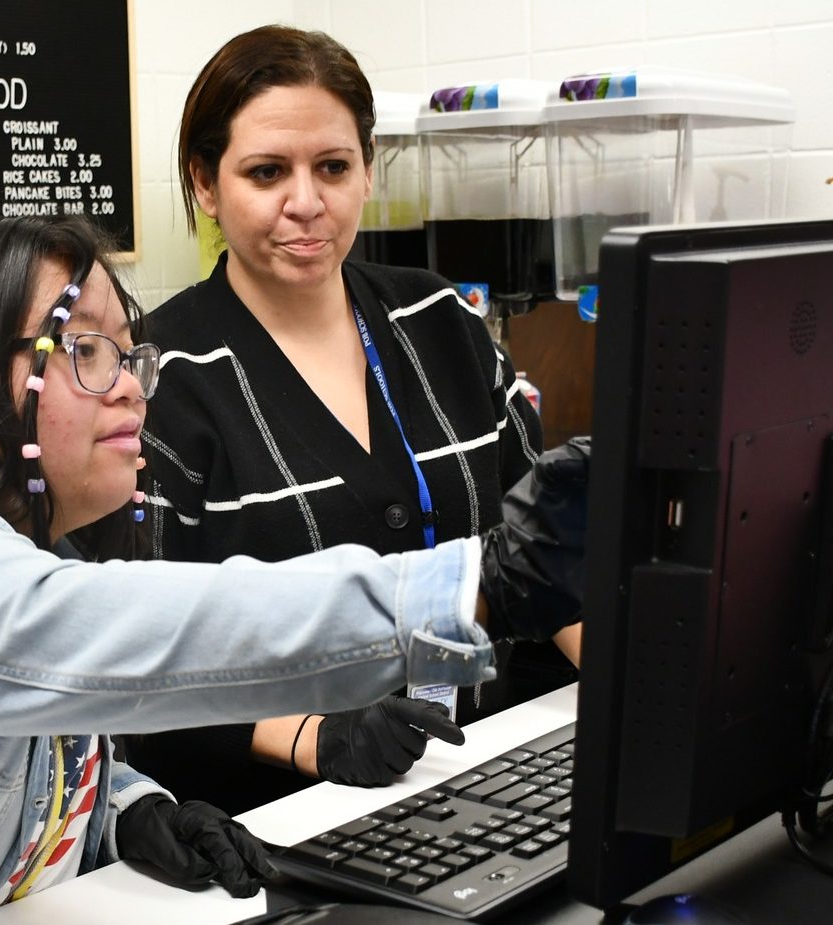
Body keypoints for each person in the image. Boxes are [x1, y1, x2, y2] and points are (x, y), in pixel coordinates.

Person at [0, 215, 582, 924]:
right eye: (83, 351)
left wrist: (126, 809)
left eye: (131, 355)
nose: (131, 385)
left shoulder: (18, 548)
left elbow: (0, 746)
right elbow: (124, 636)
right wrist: (476, 584)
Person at [128, 24, 585, 815]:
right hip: (291, 808)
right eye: (267, 172)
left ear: (368, 170)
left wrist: (639, 699)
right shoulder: (160, 380)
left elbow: (549, 555)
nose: (305, 203)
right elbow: (138, 654)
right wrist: (319, 737)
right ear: (205, 184)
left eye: (333, 167)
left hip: (492, 773)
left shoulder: (441, 317)